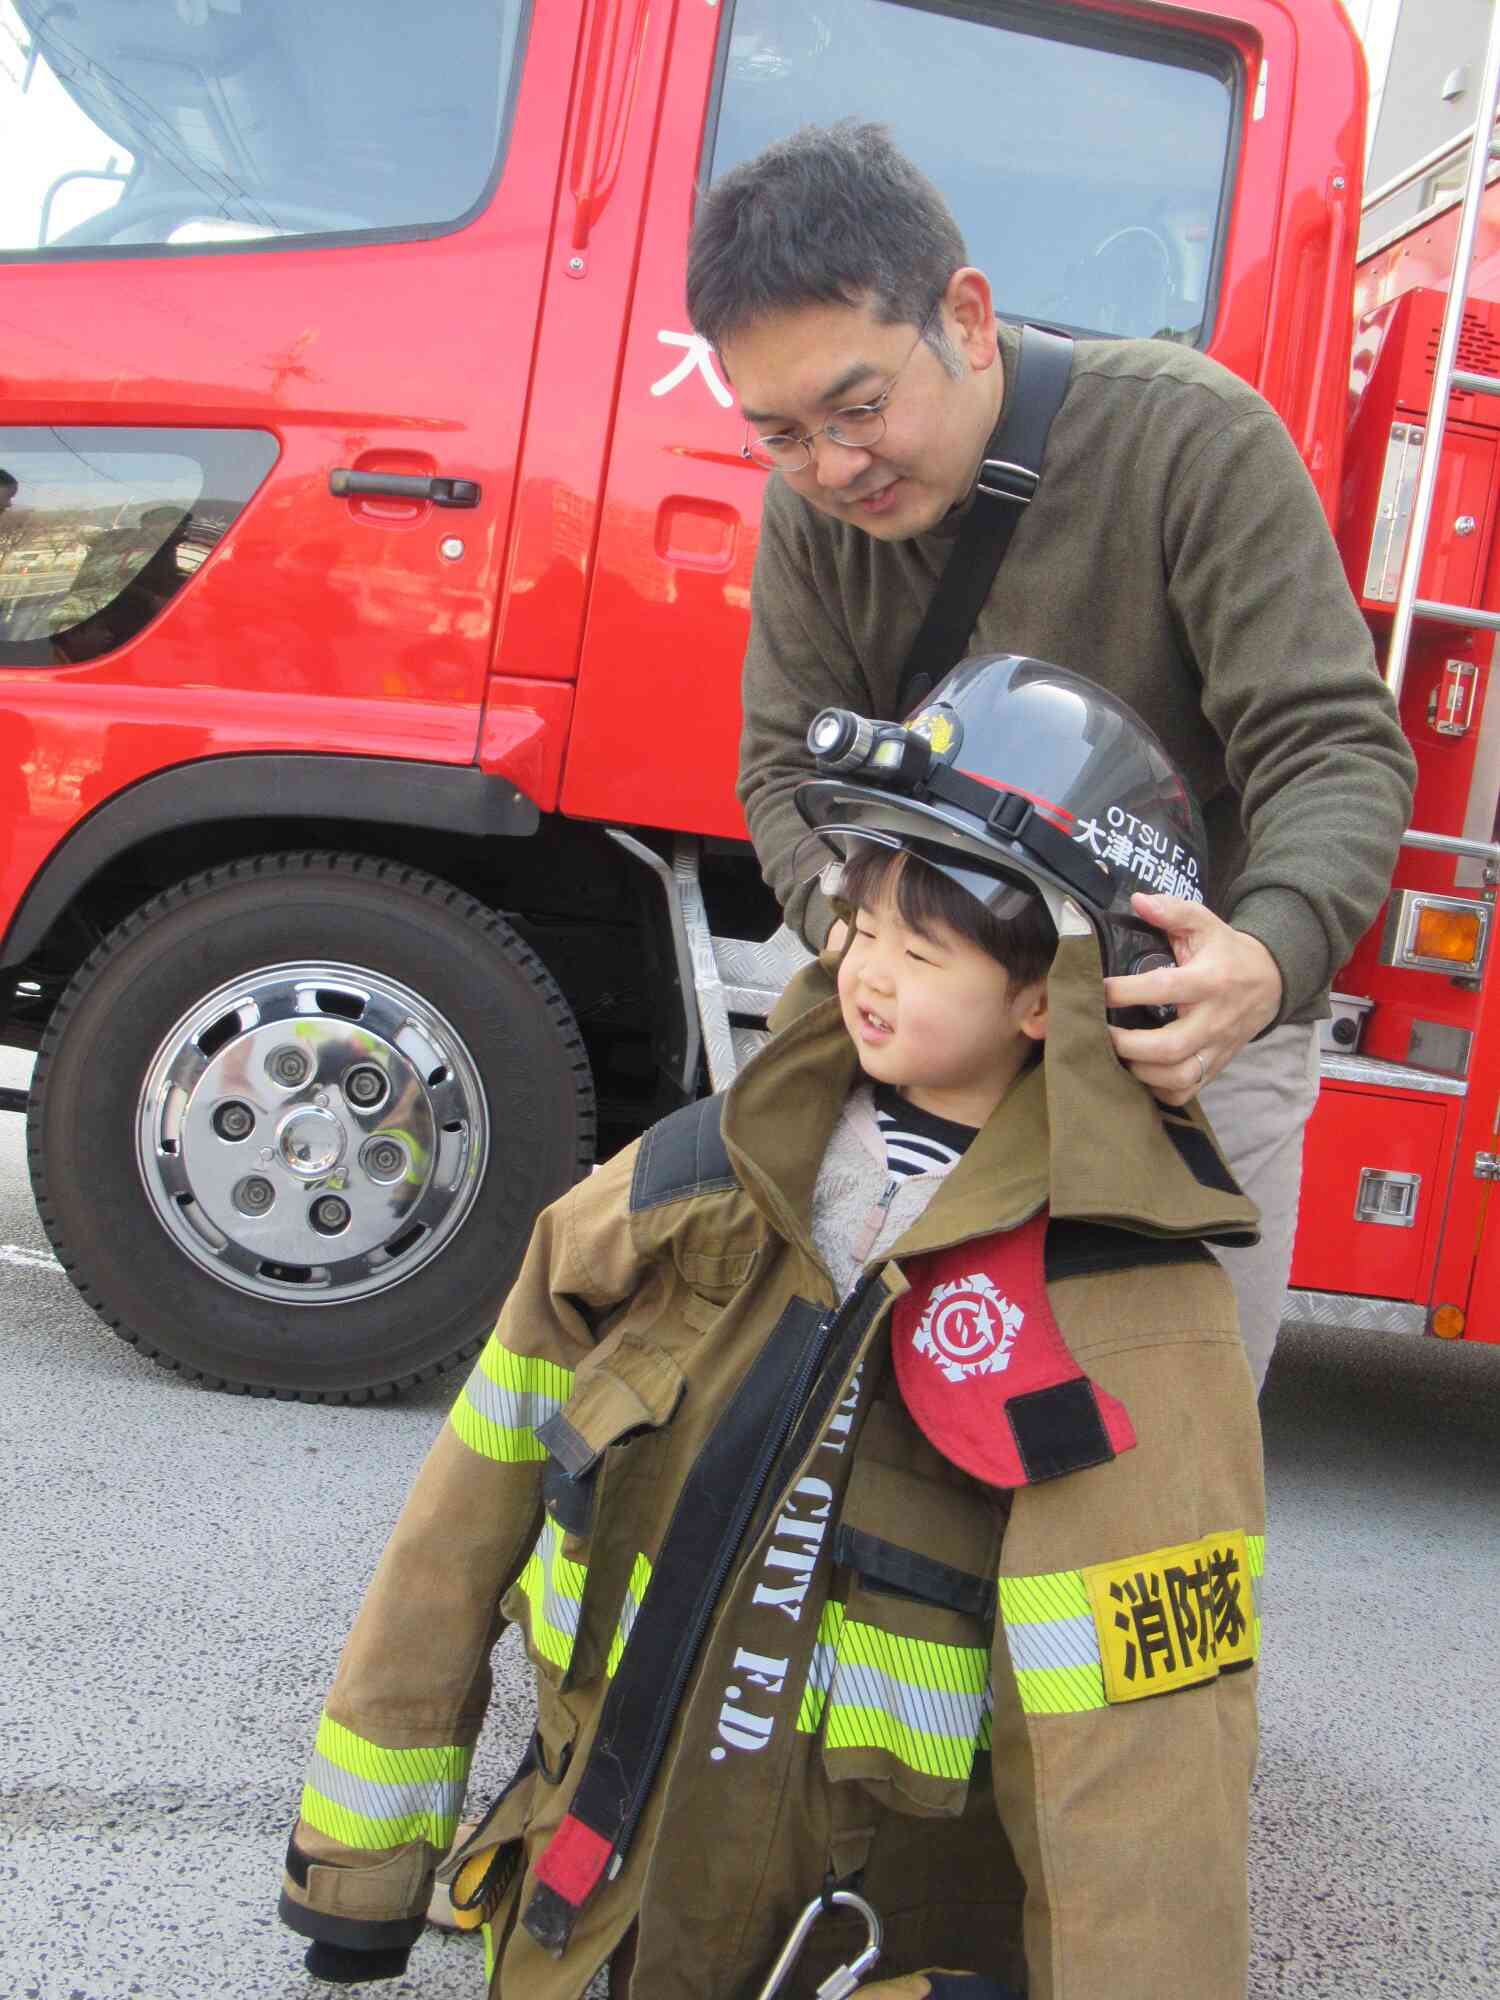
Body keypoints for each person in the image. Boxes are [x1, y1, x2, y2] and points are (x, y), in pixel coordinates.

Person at [278, 660, 1264, 2000]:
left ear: (1058, 999)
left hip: (852, 1958)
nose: (869, 973)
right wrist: (360, 1866)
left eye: (925, 951)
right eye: (859, 928)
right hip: (583, 1943)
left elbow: (1142, 1775)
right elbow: (454, 1539)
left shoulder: (1124, 1312)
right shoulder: (695, 1189)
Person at [685, 121, 1417, 1392]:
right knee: (853, 1423)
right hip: (934, 1022)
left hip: (1175, 1031)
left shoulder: (1191, 443)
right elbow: (780, 767)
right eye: (784, 434)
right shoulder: (811, 512)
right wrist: (862, 936)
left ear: (966, 317)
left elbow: (1334, 746)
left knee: (1154, 1453)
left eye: (859, 406)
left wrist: (1266, 956)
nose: (832, 467)